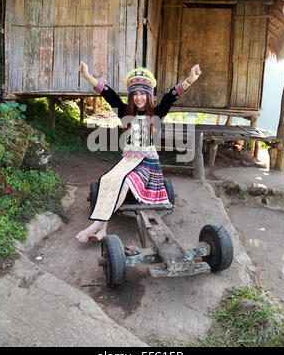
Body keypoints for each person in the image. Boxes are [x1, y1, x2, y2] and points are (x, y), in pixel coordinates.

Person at [76, 62, 202, 243]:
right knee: (108, 179)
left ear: (149, 95)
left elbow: (171, 96)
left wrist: (190, 79)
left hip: (148, 165)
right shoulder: (124, 112)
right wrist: (87, 76)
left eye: (143, 93)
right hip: (128, 161)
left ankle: (98, 223)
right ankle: (102, 230)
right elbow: (107, 93)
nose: (139, 98)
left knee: (126, 181)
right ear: (131, 96)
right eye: (135, 94)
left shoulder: (156, 113)